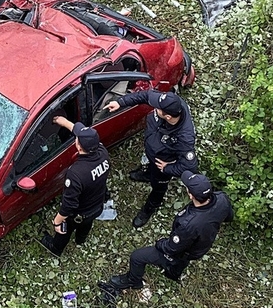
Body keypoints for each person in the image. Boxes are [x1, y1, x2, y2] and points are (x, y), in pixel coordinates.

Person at [103, 171, 233, 291]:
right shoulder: (222, 199)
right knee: (181, 261)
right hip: (201, 245)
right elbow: (228, 217)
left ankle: (133, 281)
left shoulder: (188, 223)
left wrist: (160, 243)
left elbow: (172, 248)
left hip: (185, 250)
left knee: (137, 257)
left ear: (190, 194)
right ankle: (174, 271)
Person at [103, 90, 197, 228]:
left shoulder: (185, 138)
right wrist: (120, 102)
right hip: (152, 151)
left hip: (162, 163)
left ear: (169, 117)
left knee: (158, 188)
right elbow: (145, 95)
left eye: (158, 109)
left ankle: (149, 209)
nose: (155, 108)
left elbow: (190, 165)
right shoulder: (170, 102)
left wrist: (168, 168)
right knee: (151, 169)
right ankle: (147, 175)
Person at [39, 117, 110, 257]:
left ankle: (55, 249)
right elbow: (81, 132)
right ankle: (80, 239)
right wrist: (64, 121)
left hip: (78, 213)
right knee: (86, 225)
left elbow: (69, 204)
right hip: (96, 206)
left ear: (78, 146)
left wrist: (57, 221)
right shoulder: (102, 152)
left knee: (65, 229)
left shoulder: (76, 173)